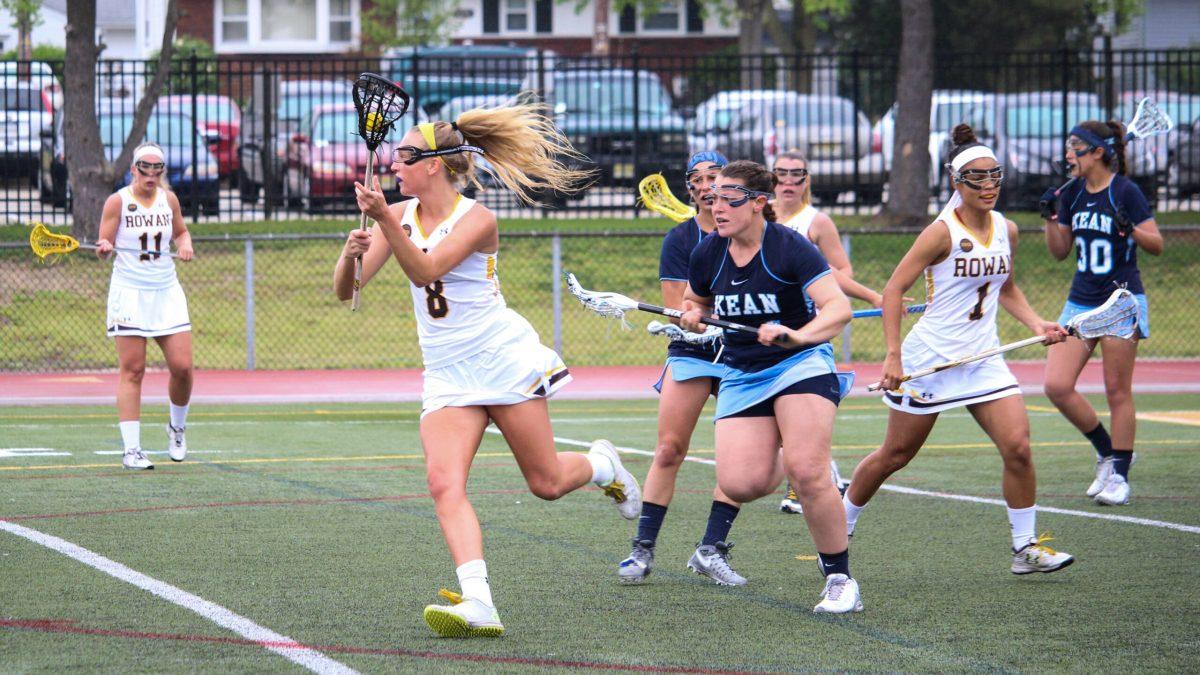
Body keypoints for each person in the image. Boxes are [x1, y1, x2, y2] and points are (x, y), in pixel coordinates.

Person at [336, 107, 642, 638]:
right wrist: (350, 254)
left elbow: (426, 269)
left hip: (500, 360)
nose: (395, 164)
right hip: (448, 373)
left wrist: (385, 219)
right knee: (442, 482)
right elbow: (348, 290)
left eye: (405, 156)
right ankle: (479, 600)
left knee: (545, 483)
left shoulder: (478, 219)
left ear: (433, 165)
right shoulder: (401, 213)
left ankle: (601, 465)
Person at [843, 125, 1075, 575]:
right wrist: (893, 355)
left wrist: (1036, 323)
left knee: (1019, 449)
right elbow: (893, 292)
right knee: (895, 455)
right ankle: (840, 522)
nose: (989, 186)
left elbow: (1005, 287)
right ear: (956, 182)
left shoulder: (1007, 228)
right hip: (930, 359)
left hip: (983, 359)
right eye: (977, 178)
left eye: (994, 176)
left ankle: (1024, 547)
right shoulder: (940, 233)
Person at [679, 160, 861, 613]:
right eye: (713, 197)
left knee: (806, 470)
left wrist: (798, 334)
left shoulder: (790, 248)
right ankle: (795, 438)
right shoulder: (708, 252)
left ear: (759, 203)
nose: (716, 206)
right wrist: (690, 315)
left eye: (728, 198)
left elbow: (837, 309)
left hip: (800, 362)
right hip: (743, 372)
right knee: (741, 481)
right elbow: (693, 300)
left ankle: (840, 579)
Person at [619, 150, 747, 587]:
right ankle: (642, 550)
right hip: (692, 348)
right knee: (670, 449)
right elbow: (678, 308)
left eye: (717, 176)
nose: (709, 184)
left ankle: (711, 549)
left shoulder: (753, 235)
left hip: (741, 353)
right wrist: (693, 317)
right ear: (690, 188)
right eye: (700, 178)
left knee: (737, 461)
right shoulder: (680, 240)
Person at [1040, 119, 1163, 506]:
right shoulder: (1072, 193)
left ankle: (1120, 476)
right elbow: (1060, 252)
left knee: (1116, 390)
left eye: (1074, 145)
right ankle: (1108, 450)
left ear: (1098, 152)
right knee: (1056, 386)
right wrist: (1050, 218)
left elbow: (1156, 244)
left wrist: (1133, 230)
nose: (1067, 153)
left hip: (1121, 302)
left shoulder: (1125, 192)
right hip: (1081, 299)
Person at [772, 150, 890, 514]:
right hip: (760, 327)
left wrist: (815, 279)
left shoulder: (817, 222)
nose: (789, 182)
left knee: (796, 406)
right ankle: (824, 470)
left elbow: (840, 271)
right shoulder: (756, 217)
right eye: (781, 174)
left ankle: (805, 481)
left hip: (806, 329)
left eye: (797, 175)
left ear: (807, 180)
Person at [96, 143, 195, 470]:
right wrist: (105, 246)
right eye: (144, 167)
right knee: (133, 370)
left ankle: (177, 428)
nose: (151, 173)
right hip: (130, 293)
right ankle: (132, 450)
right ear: (133, 168)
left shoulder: (169, 200)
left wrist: (185, 246)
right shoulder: (118, 201)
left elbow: (181, 233)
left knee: (182, 367)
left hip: (166, 291)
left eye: (157, 167)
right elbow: (104, 245)